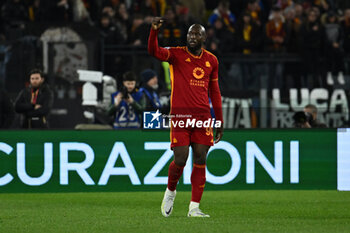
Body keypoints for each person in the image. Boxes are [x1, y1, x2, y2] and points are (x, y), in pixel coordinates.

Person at [148, 17, 223, 217]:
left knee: (200, 158)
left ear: (204, 38)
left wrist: (220, 120)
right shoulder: (176, 54)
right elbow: (154, 51)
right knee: (180, 158)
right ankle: (170, 191)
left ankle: (194, 207)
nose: (192, 36)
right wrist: (154, 31)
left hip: (203, 118)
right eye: (190, 33)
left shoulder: (212, 60)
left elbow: (214, 92)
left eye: (197, 34)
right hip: (180, 116)